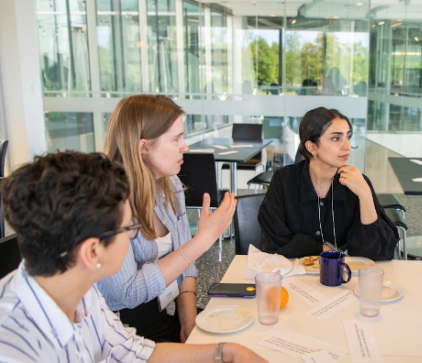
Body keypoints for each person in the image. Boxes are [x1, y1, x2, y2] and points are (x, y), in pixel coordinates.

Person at [0, 151, 265, 363]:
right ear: (92, 252)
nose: (135, 235)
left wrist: (228, 353)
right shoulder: (14, 348)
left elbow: (130, 351)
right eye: (129, 227)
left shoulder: (78, 290)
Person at [99, 94, 237, 343]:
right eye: (176, 139)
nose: (185, 146)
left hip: (167, 312)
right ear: (143, 147)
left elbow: (186, 267)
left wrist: (188, 322)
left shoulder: (169, 184)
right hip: (125, 332)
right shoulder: (107, 202)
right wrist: (203, 239)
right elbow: (128, 294)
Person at [258, 107, 398, 260]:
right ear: (312, 147)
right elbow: (273, 242)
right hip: (291, 278)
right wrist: (322, 248)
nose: (347, 146)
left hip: (343, 278)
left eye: (348, 137)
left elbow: (378, 252)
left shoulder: (357, 182)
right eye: (336, 138)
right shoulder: (284, 180)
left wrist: (365, 195)